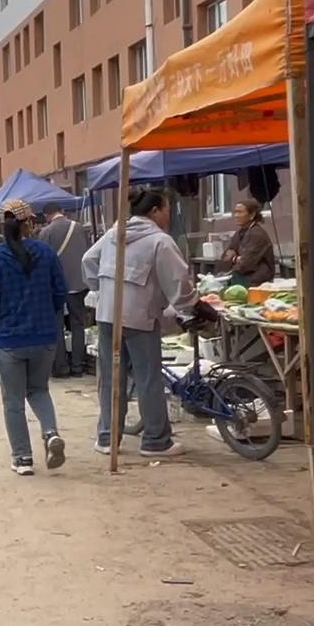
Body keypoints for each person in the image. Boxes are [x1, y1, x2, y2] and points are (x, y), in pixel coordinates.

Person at [86, 186, 200, 457]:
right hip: (139, 319)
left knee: (112, 380)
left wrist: (102, 289)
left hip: (107, 316)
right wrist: (192, 305)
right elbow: (178, 282)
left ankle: (106, 438)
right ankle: (156, 441)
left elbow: (88, 260)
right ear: (154, 212)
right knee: (148, 379)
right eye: (167, 211)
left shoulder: (115, 234)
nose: (168, 217)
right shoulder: (159, 241)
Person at [0, 199, 69, 475]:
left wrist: (0, 320)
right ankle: (51, 433)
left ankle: (23, 459)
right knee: (39, 390)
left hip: (11, 339)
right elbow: (60, 291)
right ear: (29, 222)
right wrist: (48, 314)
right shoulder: (46, 253)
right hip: (44, 336)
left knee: (13, 401)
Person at [39, 202, 93, 377]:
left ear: (47, 215)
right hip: (78, 284)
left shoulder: (45, 233)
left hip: (56, 287)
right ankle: (78, 365)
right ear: (62, 211)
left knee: (57, 326)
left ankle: (61, 367)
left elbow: (42, 260)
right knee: (78, 325)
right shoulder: (78, 228)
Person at [220, 200, 277, 287]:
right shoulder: (239, 233)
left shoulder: (257, 234)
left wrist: (233, 259)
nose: (236, 216)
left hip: (257, 282)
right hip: (243, 280)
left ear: (252, 215)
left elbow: (246, 263)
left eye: (240, 212)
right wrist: (236, 259)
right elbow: (224, 257)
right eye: (235, 212)